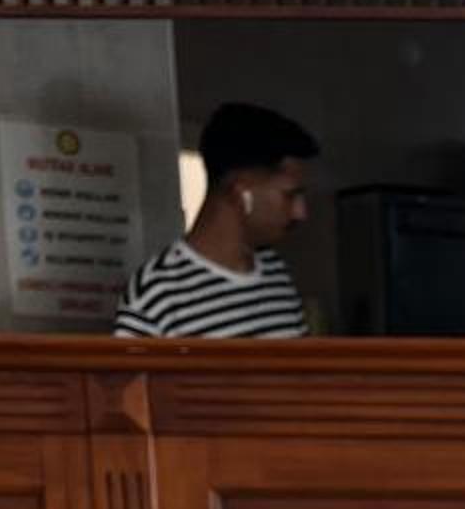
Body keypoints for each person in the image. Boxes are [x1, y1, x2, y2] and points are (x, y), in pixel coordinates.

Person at [114, 102, 317, 337]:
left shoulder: (275, 271)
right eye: (290, 195)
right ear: (241, 193)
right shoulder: (155, 295)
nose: (300, 212)